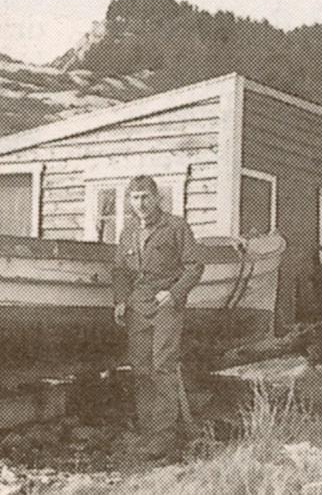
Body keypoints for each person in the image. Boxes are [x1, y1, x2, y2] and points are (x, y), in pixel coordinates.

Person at [112, 175, 204, 460]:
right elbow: (120, 271)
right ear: (130, 200)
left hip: (166, 307)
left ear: (157, 198)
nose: (140, 203)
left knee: (163, 367)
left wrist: (174, 294)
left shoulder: (176, 226)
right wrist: (120, 300)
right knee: (141, 369)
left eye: (145, 197)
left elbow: (195, 267)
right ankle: (147, 432)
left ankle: (164, 437)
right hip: (137, 308)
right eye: (135, 198)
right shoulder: (128, 232)